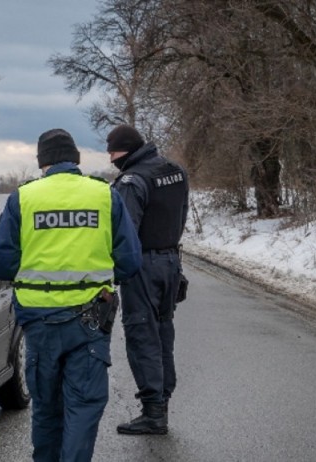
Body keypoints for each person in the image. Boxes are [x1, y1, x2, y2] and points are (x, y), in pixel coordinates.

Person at [0, 128, 142, 461]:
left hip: (39, 322)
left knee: (46, 408)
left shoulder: (23, 198)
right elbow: (130, 262)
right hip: (91, 321)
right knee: (84, 407)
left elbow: (0, 264)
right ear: (76, 160)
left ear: (42, 163)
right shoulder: (104, 195)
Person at [106, 124, 189, 435]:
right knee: (163, 330)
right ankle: (162, 401)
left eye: (112, 151)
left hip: (142, 264)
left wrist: (116, 271)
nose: (110, 157)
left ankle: (153, 412)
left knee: (142, 333)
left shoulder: (132, 180)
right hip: (170, 261)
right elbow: (182, 215)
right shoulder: (176, 171)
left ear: (124, 150)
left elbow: (124, 234)